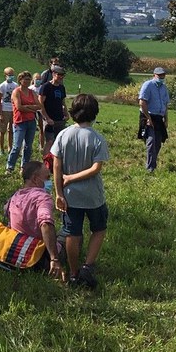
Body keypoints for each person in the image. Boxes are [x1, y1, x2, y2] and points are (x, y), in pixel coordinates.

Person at [52, 93, 110, 289]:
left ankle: (74, 273)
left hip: (69, 196)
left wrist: (59, 192)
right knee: (99, 229)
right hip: (93, 196)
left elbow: (56, 167)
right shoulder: (97, 138)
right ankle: (88, 266)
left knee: (72, 233)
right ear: (94, 114)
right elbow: (96, 169)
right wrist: (73, 178)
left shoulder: (63, 135)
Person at [4, 159, 66, 281]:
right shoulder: (42, 197)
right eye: (47, 177)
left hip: (18, 251)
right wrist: (54, 258)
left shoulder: (15, 197)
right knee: (69, 235)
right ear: (35, 179)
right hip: (39, 255)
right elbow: (46, 224)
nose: (50, 181)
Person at [6, 70, 41, 174]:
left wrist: (28, 107)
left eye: (29, 79)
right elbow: (19, 107)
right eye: (25, 79)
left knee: (28, 146)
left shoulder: (32, 92)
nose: (27, 81)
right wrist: (32, 108)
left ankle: (24, 167)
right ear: (20, 80)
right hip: (20, 122)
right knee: (17, 146)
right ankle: (10, 166)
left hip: (31, 121)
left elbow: (39, 106)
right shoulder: (16, 92)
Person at [137, 66, 170, 172]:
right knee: (151, 141)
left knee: (158, 142)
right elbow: (142, 102)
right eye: (159, 75)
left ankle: (152, 164)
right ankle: (150, 168)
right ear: (154, 75)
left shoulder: (164, 88)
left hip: (159, 117)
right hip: (148, 116)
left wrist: (166, 119)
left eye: (163, 75)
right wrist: (148, 118)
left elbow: (165, 104)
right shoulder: (148, 85)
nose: (161, 77)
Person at [38, 65, 68, 155]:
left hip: (60, 119)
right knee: (50, 141)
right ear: (54, 74)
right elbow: (40, 104)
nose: (61, 77)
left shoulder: (62, 88)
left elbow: (63, 102)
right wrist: (47, 118)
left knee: (59, 141)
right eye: (59, 75)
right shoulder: (46, 87)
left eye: (62, 75)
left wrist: (66, 113)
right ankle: (46, 162)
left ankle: (56, 161)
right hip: (49, 119)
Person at [0, 66, 18, 155]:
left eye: (12, 75)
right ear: (5, 75)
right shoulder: (2, 86)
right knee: (2, 130)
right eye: (9, 75)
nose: (11, 77)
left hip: (13, 110)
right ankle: (1, 149)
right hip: (5, 109)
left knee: (11, 130)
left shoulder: (15, 85)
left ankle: (10, 147)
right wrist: (0, 113)